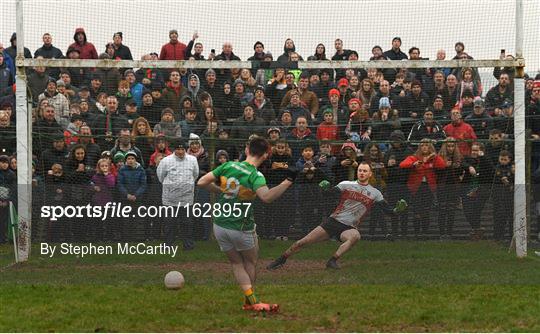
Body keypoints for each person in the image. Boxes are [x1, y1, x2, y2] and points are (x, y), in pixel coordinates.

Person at [197, 137, 296, 313]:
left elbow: (202, 182)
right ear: (266, 155)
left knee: (236, 263)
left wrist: (221, 190)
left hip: (219, 223)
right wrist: (287, 181)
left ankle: (250, 301)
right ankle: (252, 302)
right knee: (250, 261)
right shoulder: (255, 175)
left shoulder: (228, 166)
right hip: (241, 226)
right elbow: (266, 197)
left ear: (247, 149)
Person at [267, 162, 407, 270]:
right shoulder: (346, 184)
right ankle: (281, 259)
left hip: (349, 227)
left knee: (355, 236)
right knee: (302, 242)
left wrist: (397, 210)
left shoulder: (375, 193)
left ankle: (332, 260)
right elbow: (328, 194)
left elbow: (387, 211)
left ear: (370, 174)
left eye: (365, 171)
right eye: (360, 170)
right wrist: (323, 187)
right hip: (333, 221)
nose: (362, 173)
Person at [157, 138, 198, 249]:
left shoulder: (193, 160)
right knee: (169, 223)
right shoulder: (166, 161)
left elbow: (195, 175)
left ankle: (188, 244)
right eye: (178, 149)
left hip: (186, 199)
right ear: (174, 150)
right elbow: (160, 176)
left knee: (187, 223)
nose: (180, 152)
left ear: (185, 149)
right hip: (169, 199)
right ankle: (168, 244)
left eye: (182, 149)